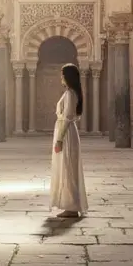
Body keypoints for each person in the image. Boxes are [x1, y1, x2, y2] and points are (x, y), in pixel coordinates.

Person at [50, 63, 87, 218]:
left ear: (68, 76)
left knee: (68, 170)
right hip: (65, 133)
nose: (61, 77)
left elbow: (67, 117)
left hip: (66, 135)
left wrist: (59, 139)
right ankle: (69, 204)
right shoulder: (69, 93)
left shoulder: (70, 94)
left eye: (62, 74)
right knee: (65, 168)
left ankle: (72, 207)